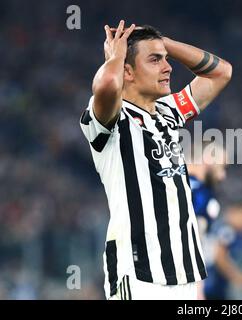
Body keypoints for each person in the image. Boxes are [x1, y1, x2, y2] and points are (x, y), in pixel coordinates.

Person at [79, 20, 232, 300]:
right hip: (140, 276)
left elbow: (221, 73)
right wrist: (116, 55)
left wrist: (163, 43)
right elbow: (108, 84)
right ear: (128, 71)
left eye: (165, 59)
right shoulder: (111, 122)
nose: (168, 67)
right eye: (155, 60)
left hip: (186, 274)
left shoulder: (168, 111)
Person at [187, 143, 227, 299]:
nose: (222, 175)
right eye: (222, 167)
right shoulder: (201, 195)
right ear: (209, 158)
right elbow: (193, 243)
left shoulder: (163, 180)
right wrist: (198, 289)